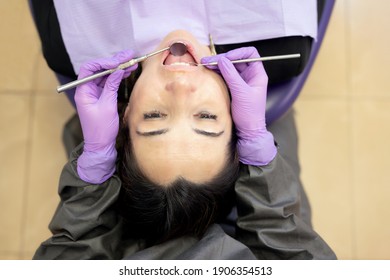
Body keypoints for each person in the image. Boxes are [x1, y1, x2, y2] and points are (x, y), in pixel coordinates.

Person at [30, 0, 335, 259]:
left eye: (153, 116)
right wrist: (258, 146)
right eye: (205, 117)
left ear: (123, 117)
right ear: (235, 122)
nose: (179, 85)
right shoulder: (286, 48)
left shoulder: (69, 47)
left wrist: (95, 164)